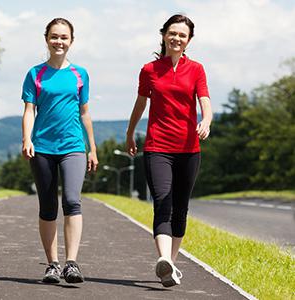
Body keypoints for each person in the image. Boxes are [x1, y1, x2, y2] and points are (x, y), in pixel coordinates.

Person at [125, 14, 212, 288]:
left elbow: (205, 101)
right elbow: (140, 104)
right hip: (157, 146)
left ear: (189, 41)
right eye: (172, 33)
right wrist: (130, 132)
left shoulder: (196, 69)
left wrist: (206, 120)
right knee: (163, 201)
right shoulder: (150, 70)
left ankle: (170, 266)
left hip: (189, 148)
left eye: (182, 35)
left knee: (181, 208)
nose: (176, 38)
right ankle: (164, 258)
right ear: (164, 35)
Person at [21, 17, 98, 284]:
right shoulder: (35, 74)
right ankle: (52, 264)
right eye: (54, 36)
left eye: (64, 37)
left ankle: (72, 263)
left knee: (72, 201)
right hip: (42, 147)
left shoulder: (80, 74)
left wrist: (92, 148)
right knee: (48, 205)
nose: (59, 41)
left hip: (73, 146)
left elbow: (85, 113)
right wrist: (26, 139)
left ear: (71, 41)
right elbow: (29, 110)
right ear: (47, 39)